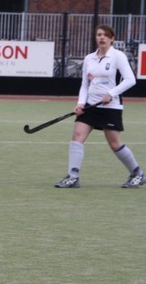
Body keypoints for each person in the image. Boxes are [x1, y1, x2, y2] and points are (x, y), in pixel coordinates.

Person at [54, 25, 143, 189]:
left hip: (111, 107)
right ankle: (73, 177)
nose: (102, 37)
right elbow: (84, 84)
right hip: (91, 106)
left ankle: (137, 173)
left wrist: (111, 93)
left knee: (115, 143)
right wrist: (81, 103)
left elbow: (130, 80)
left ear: (112, 38)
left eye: (105, 35)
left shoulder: (118, 56)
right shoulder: (89, 58)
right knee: (77, 136)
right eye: (99, 35)